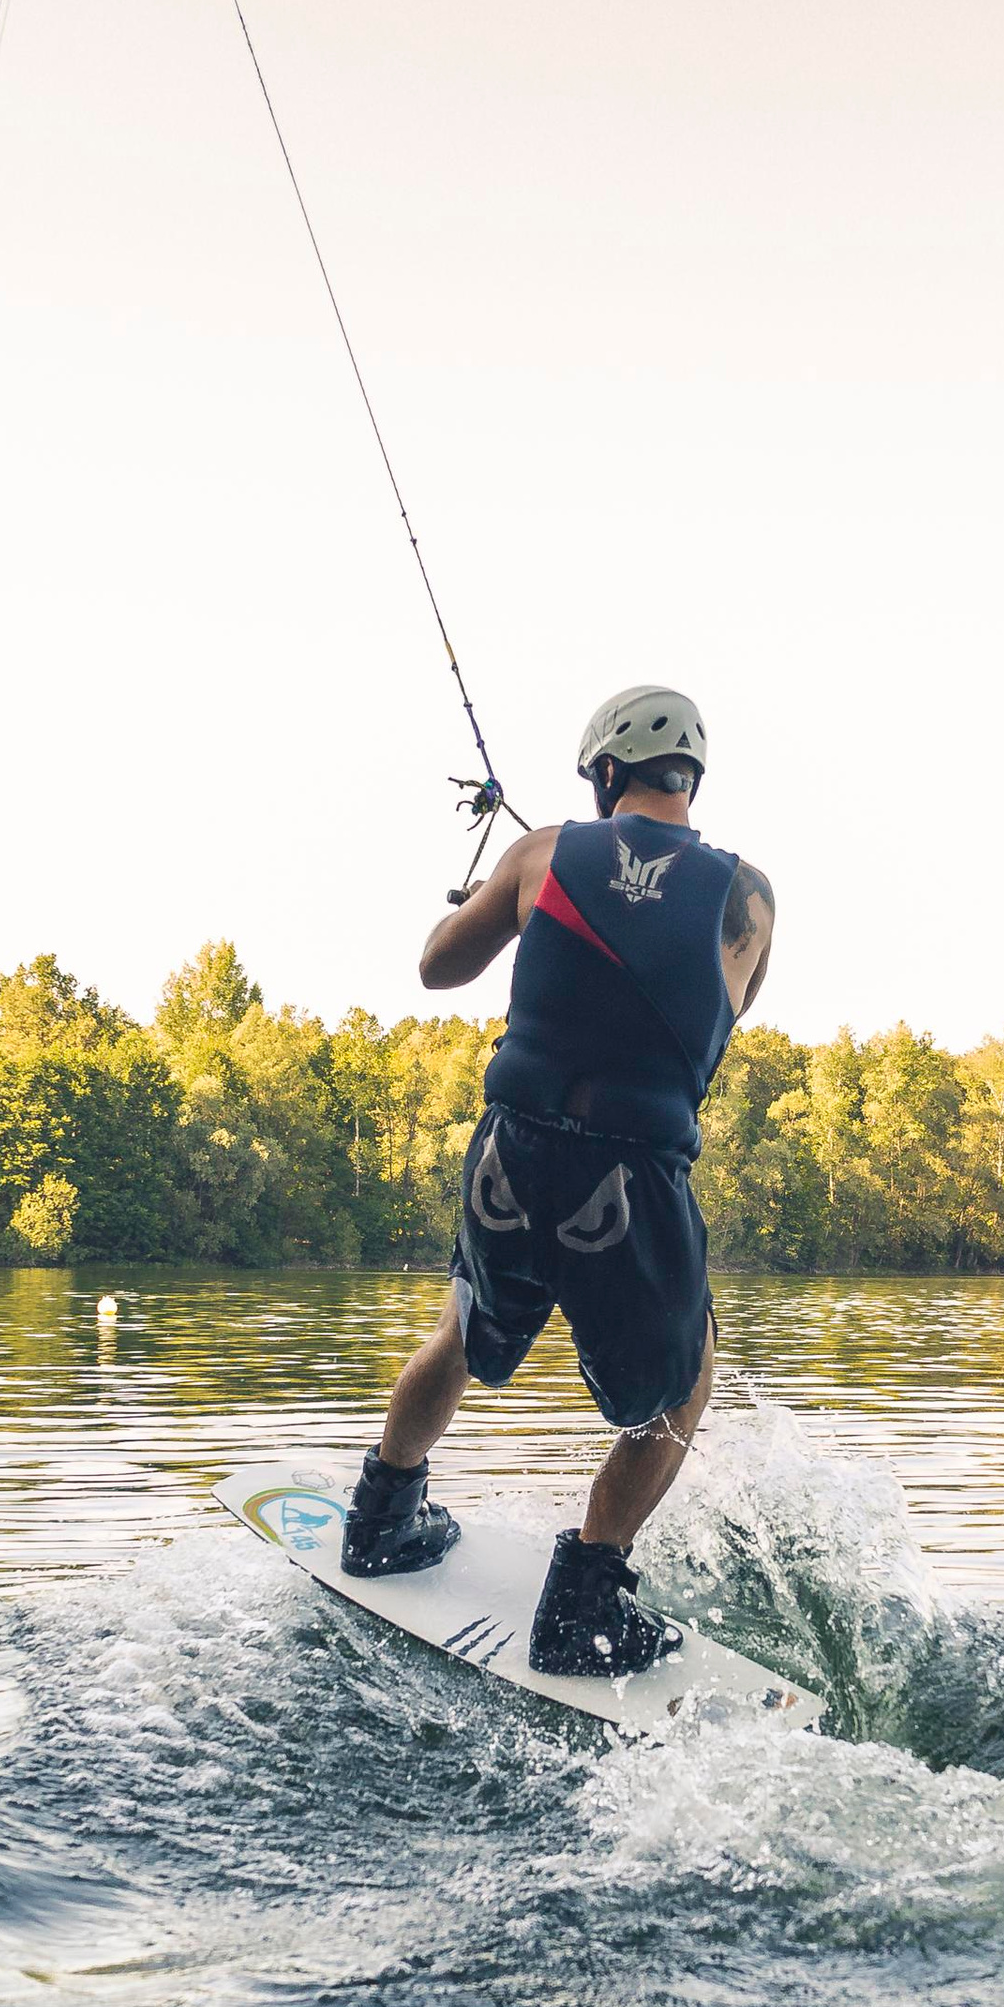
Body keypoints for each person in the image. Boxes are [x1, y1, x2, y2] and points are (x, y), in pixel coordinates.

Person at [341, 684, 776, 1675]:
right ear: (688, 780)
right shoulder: (750, 895)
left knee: (461, 1326)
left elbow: (437, 969)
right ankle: (582, 1605)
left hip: (511, 1153)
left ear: (605, 772)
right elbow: (726, 1005)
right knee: (683, 1381)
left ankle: (380, 1517)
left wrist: (497, 900)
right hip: (626, 1181)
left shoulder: (540, 856)